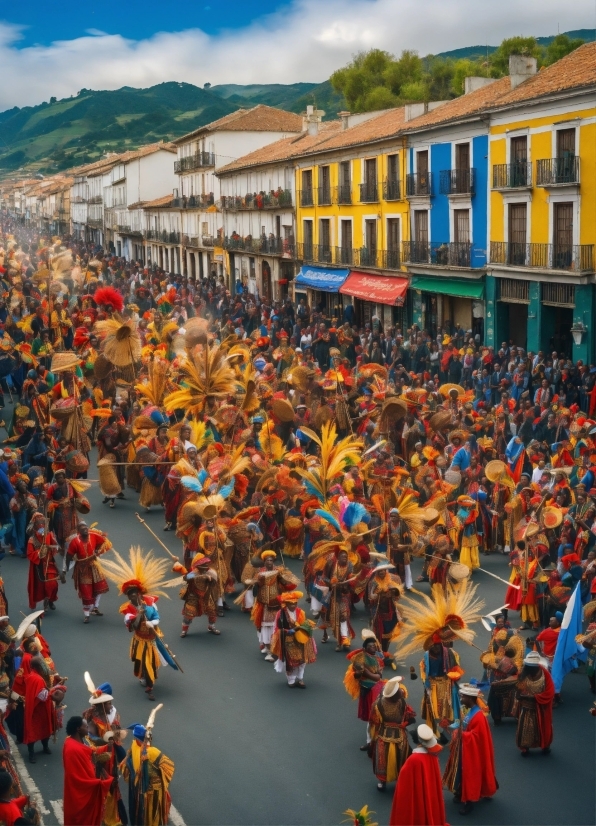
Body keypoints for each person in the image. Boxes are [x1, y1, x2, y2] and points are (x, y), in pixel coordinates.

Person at [442, 683, 498, 815]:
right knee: (460, 773)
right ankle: (461, 792)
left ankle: (469, 801)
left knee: (470, 775)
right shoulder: (469, 710)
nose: (461, 699)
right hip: (464, 749)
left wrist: (460, 734)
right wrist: (452, 728)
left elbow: (476, 737)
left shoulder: (478, 717)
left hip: (472, 753)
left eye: (463, 697)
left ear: (470, 699)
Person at [389, 723, 446, 826]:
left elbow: (404, 788)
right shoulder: (432, 756)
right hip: (429, 793)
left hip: (417, 798)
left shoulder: (413, 760)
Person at [120, 723, 174, 826]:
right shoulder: (153, 752)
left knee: (140, 814)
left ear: (136, 738)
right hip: (153, 791)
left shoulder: (134, 747)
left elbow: (127, 765)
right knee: (153, 815)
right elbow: (169, 767)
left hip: (137, 790)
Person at [63, 715, 112, 826]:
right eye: (86, 726)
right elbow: (76, 777)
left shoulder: (77, 741)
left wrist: (108, 747)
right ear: (78, 729)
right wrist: (98, 783)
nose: (88, 729)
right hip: (80, 794)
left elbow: (91, 752)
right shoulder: (72, 749)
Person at [368, 676, 415, 791]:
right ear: (394, 695)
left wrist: (372, 739)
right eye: (399, 691)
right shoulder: (396, 702)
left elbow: (373, 723)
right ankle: (385, 780)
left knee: (386, 759)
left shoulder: (379, 704)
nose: (401, 691)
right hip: (395, 737)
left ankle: (387, 781)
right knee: (387, 759)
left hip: (385, 736)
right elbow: (374, 723)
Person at [65, 522, 110, 622]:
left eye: (86, 528)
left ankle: (95, 607)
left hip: (94, 566)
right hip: (82, 569)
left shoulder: (93, 536)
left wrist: (97, 551)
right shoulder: (75, 542)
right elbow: (68, 556)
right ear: (79, 532)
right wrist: (65, 570)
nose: (85, 530)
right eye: (82, 529)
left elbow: (103, 541)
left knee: (100, 587)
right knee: (86, 591)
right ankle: (87, 614)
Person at [270, 590, 317, 688]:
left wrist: (304, 628)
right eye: (291, 604)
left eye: (295, 603)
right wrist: (288, 631)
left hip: (301, 639)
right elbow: (277, 628)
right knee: (291, 661)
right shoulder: (280, 614)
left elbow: (305, 625)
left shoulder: (301, 612)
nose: (293, 606)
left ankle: (300, 678)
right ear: (286, 604)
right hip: (288, 640)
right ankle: (291, 679)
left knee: (302, 660)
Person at [515, 650, 555, 755]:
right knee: (525, 727)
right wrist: (520, 695)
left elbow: (550, 692)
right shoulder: (523, 674)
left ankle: (545, 746)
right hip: (526, 706)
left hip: (540, 707)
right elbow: (518, 689)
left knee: (542, 726)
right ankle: (525, 747)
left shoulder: (545, 674)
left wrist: (535, 697)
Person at [23, 656, 55, 763]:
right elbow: (42, 696)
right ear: (38, 666)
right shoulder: (37, 679)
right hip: (38, 710)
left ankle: (44, 747)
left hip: (35, 709)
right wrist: (53, 691)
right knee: (34, 731)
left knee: (43, 729)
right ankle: (32, 753)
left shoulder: (32, 675)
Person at [26, 512, 60, 610]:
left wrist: (55, 545)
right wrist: (40, 552)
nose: (41, 526)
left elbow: (55, 547)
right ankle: (46, 600)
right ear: (35, 527)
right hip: (39, 565)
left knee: (53, 584)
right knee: (42, 586)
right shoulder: (32, 540)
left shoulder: (49, 535)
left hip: (50, 563)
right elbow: (30, 554)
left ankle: (50, 599)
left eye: (43, 524)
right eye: (39, 524)